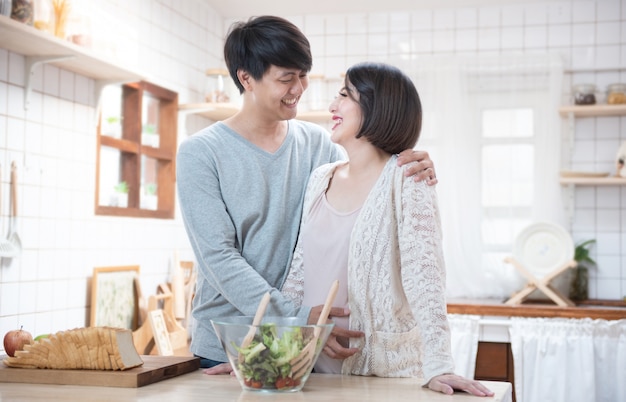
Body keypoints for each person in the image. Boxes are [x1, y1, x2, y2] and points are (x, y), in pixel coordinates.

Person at [176, 16, 437, 373]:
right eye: (287, 78)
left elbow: (369, 188)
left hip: (303, 340)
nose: (300, 88)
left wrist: (409, 161)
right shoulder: (201, 153)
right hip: (234, 342)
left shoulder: (317, 146)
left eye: (303, 75)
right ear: (246, 78)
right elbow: (219, 258)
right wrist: (296, 318)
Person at [281, 62, 494, 397]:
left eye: (344, 95)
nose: (332, 106)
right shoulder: (321, 178)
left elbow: (425, 276)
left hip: (378, 376)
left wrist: (440, 364)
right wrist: (267, 350)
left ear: (377, 107)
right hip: (305, 370)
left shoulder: (408, 178)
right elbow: (298, 276)